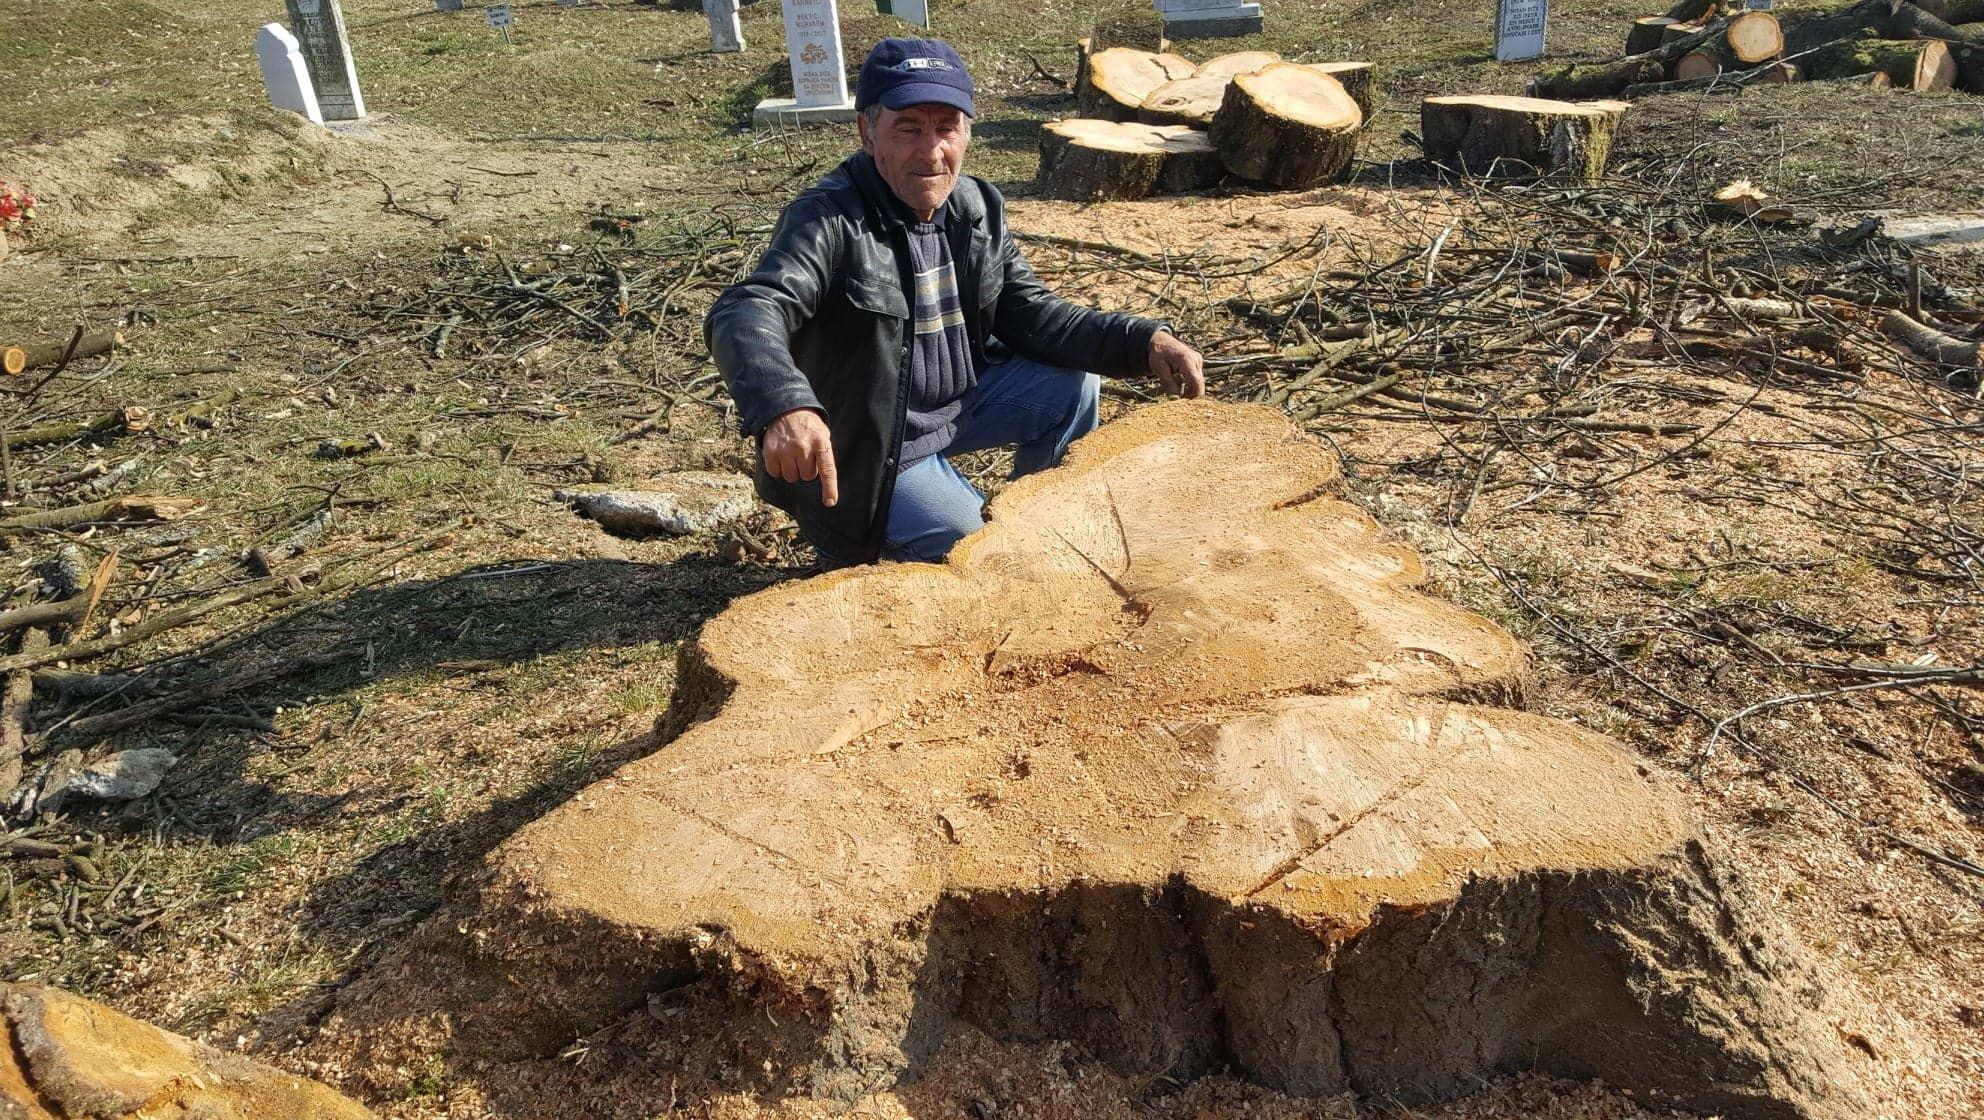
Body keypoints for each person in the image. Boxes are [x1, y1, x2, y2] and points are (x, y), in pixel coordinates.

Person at [706, 38, 1204, 568]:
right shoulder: (828, 220)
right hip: (870, 452)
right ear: (867, 131)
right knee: (980, 549)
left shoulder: (975, 207)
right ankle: (876, 544)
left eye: (946, 127)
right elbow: (748, 308)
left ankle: (1043, 527)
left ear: (967, 133)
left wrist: (1141, 339)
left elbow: (1033, 313)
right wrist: (784, 404)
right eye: (909, 128)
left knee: (1073, 384)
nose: (931, 151)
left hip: (956, 407)